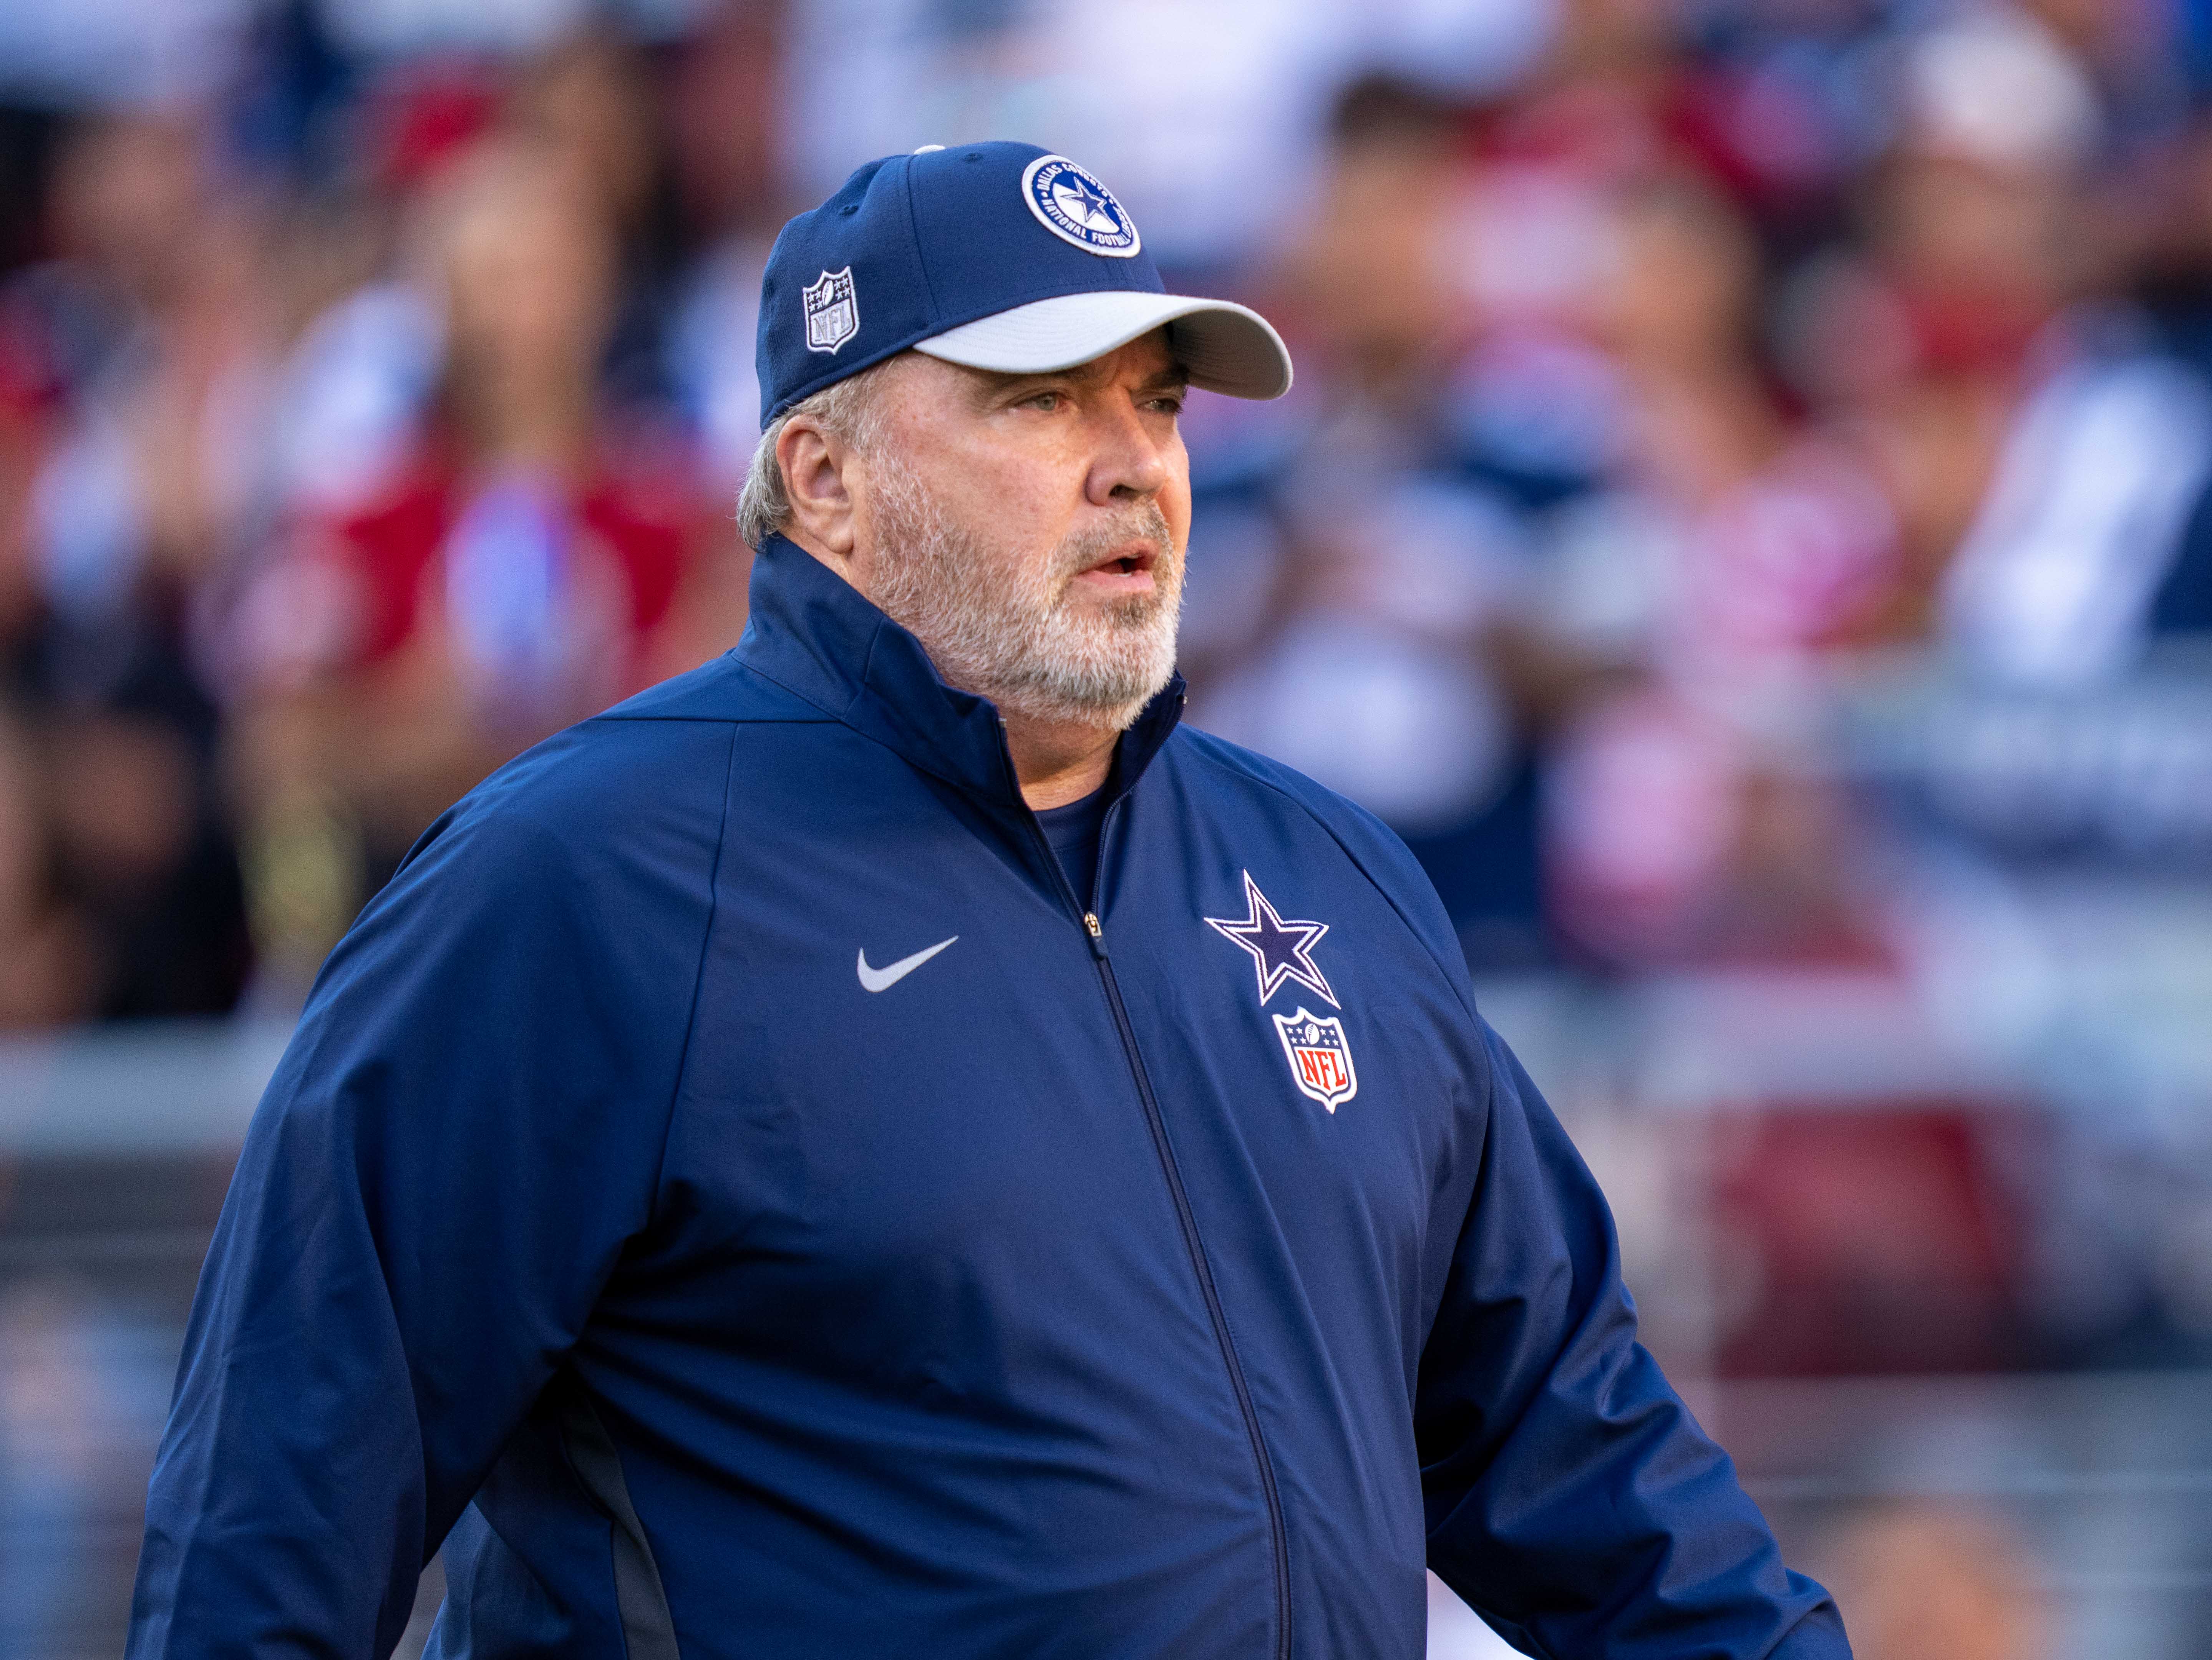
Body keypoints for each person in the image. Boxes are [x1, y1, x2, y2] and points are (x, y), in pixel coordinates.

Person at [127, 142, 1847, 1659]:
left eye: (1156, 402)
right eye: (1041, 401)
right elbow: (280, 1502)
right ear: (825, 480)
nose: (1133, 463)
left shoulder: (1326, 875)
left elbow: (1579, 1451)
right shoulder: (580, 883)